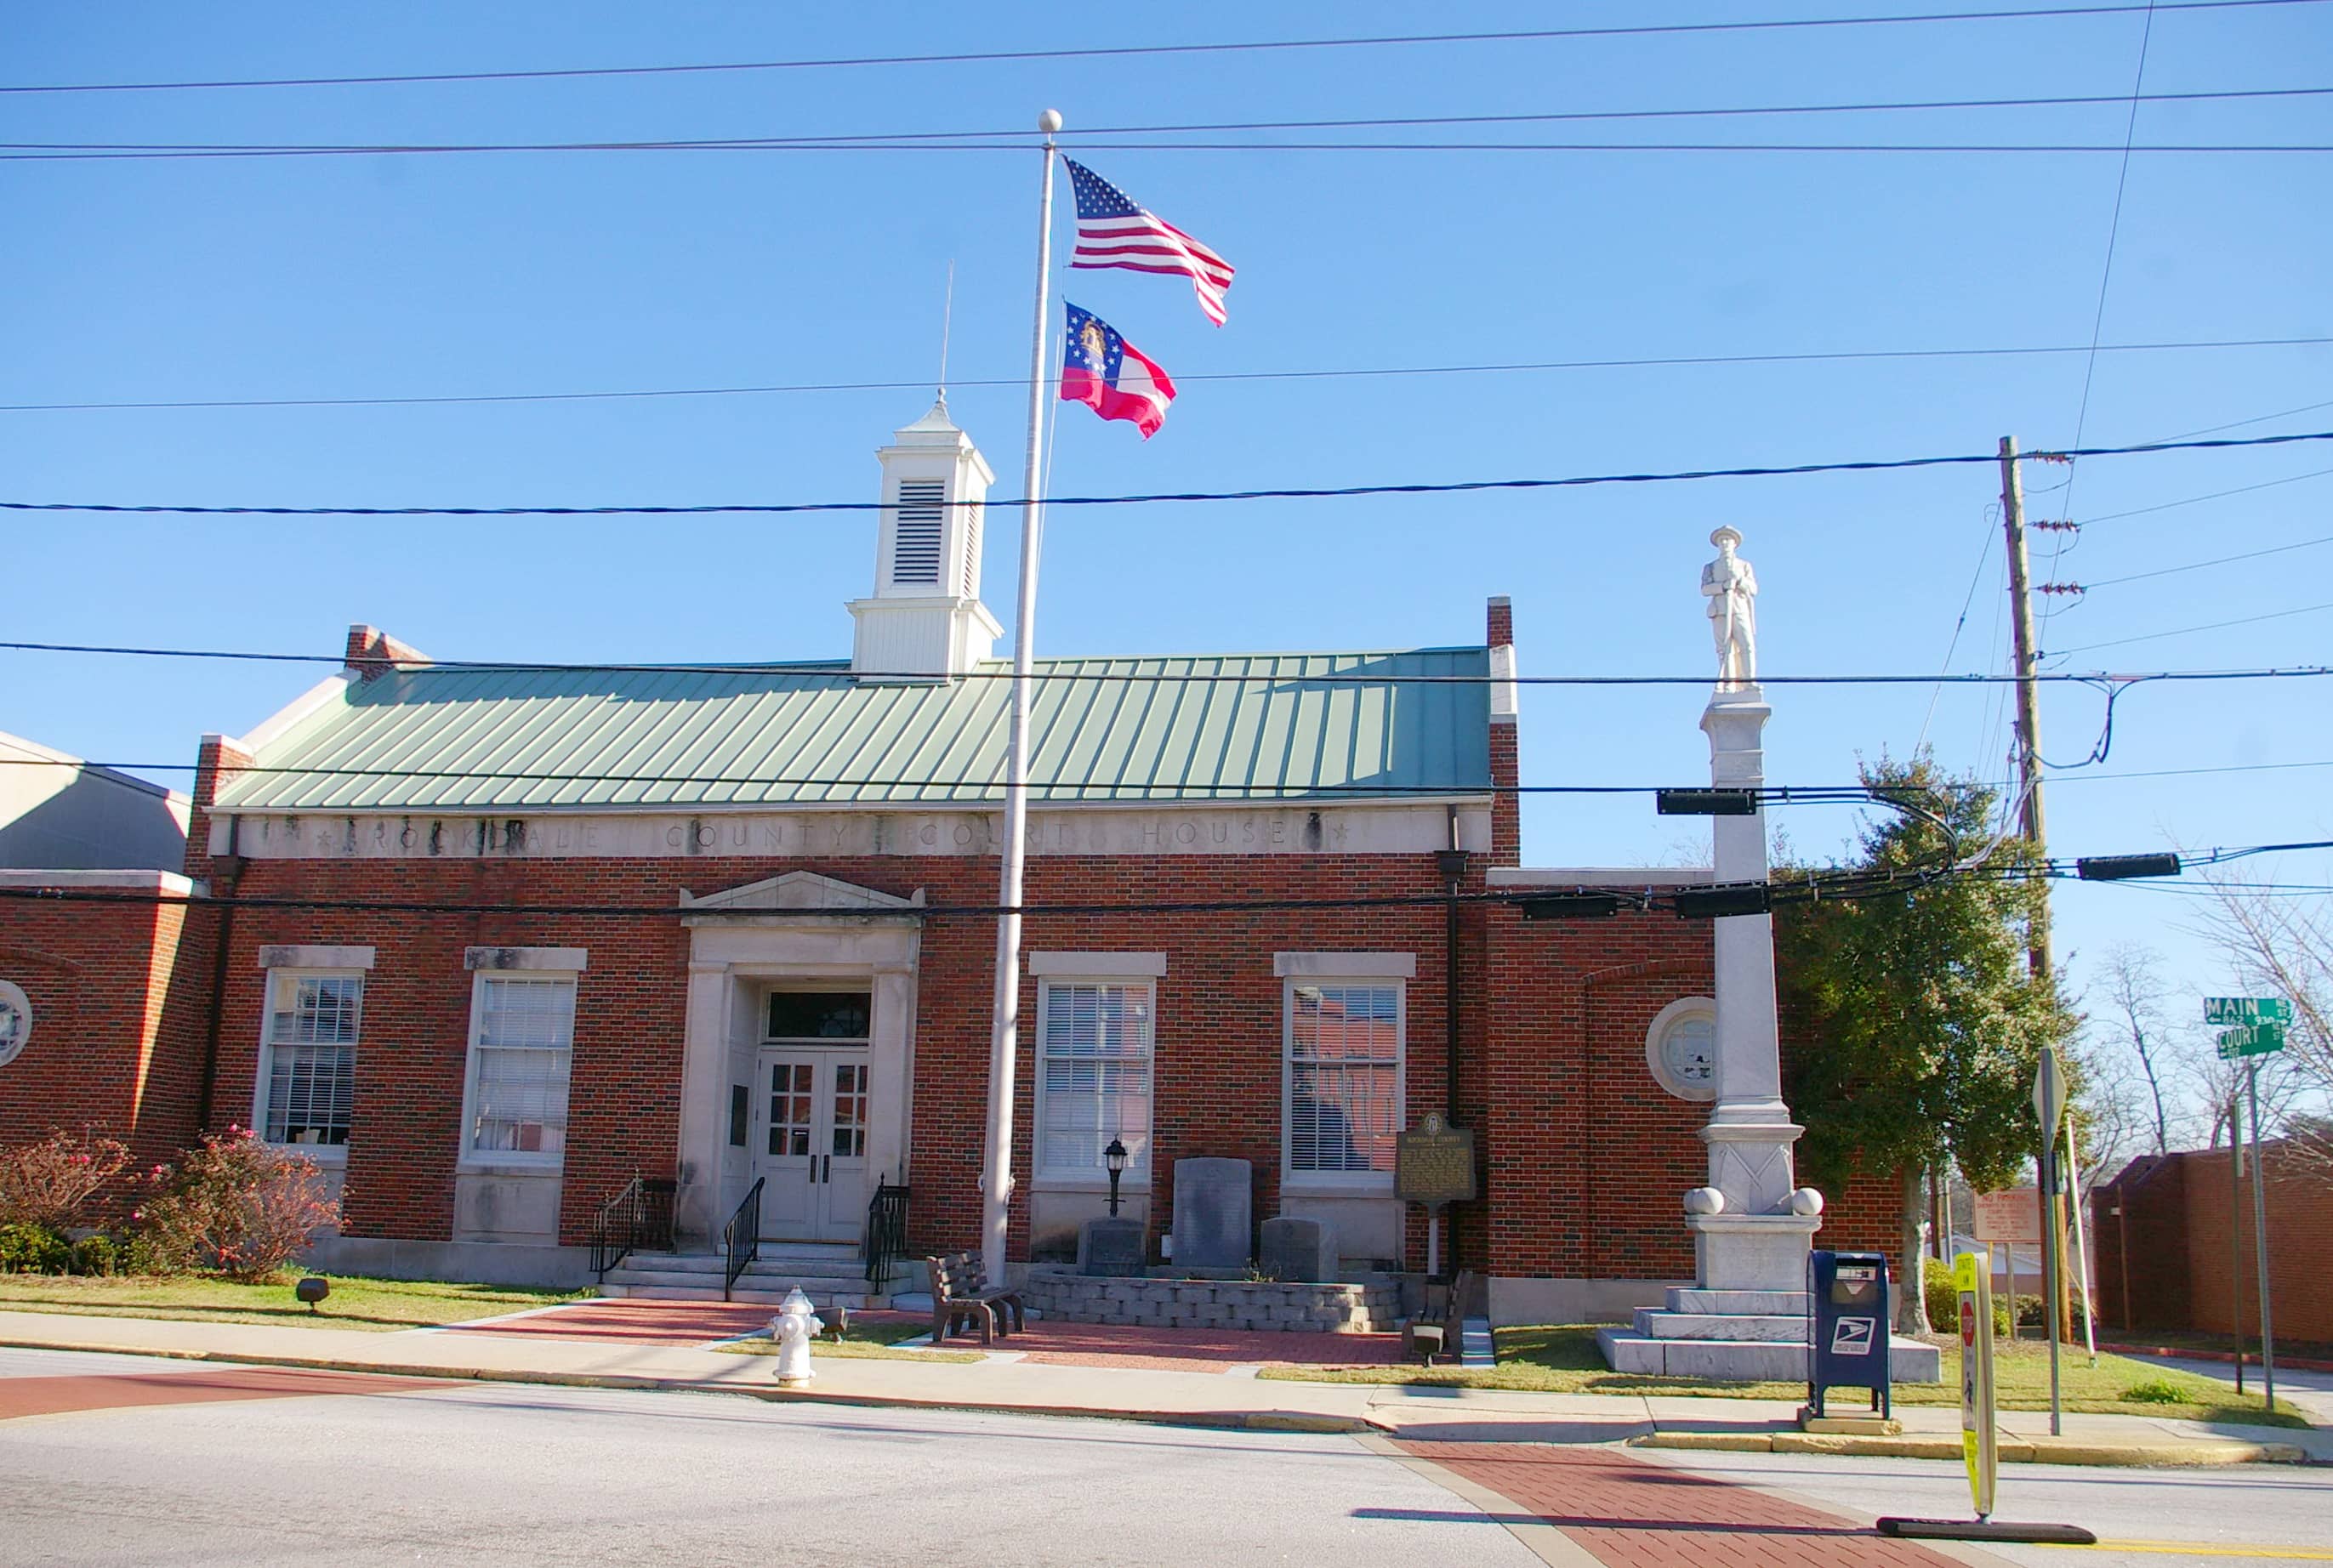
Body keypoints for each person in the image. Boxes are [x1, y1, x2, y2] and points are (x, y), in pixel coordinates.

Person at [1701, 526, 1758, 687]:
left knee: (1746, 645)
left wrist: (1740, 582)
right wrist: (1723, 586)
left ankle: (1749, 681)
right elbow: (1705, 589)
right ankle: (1728, 684)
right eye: (1722, 541)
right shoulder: (1711, 567)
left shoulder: (1744, 565)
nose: (1725, 543)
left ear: (1734, 544)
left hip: (1739, 609)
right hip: (1720, 610)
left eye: (1728, 540)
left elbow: (1753, 589)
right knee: (1724, 649)